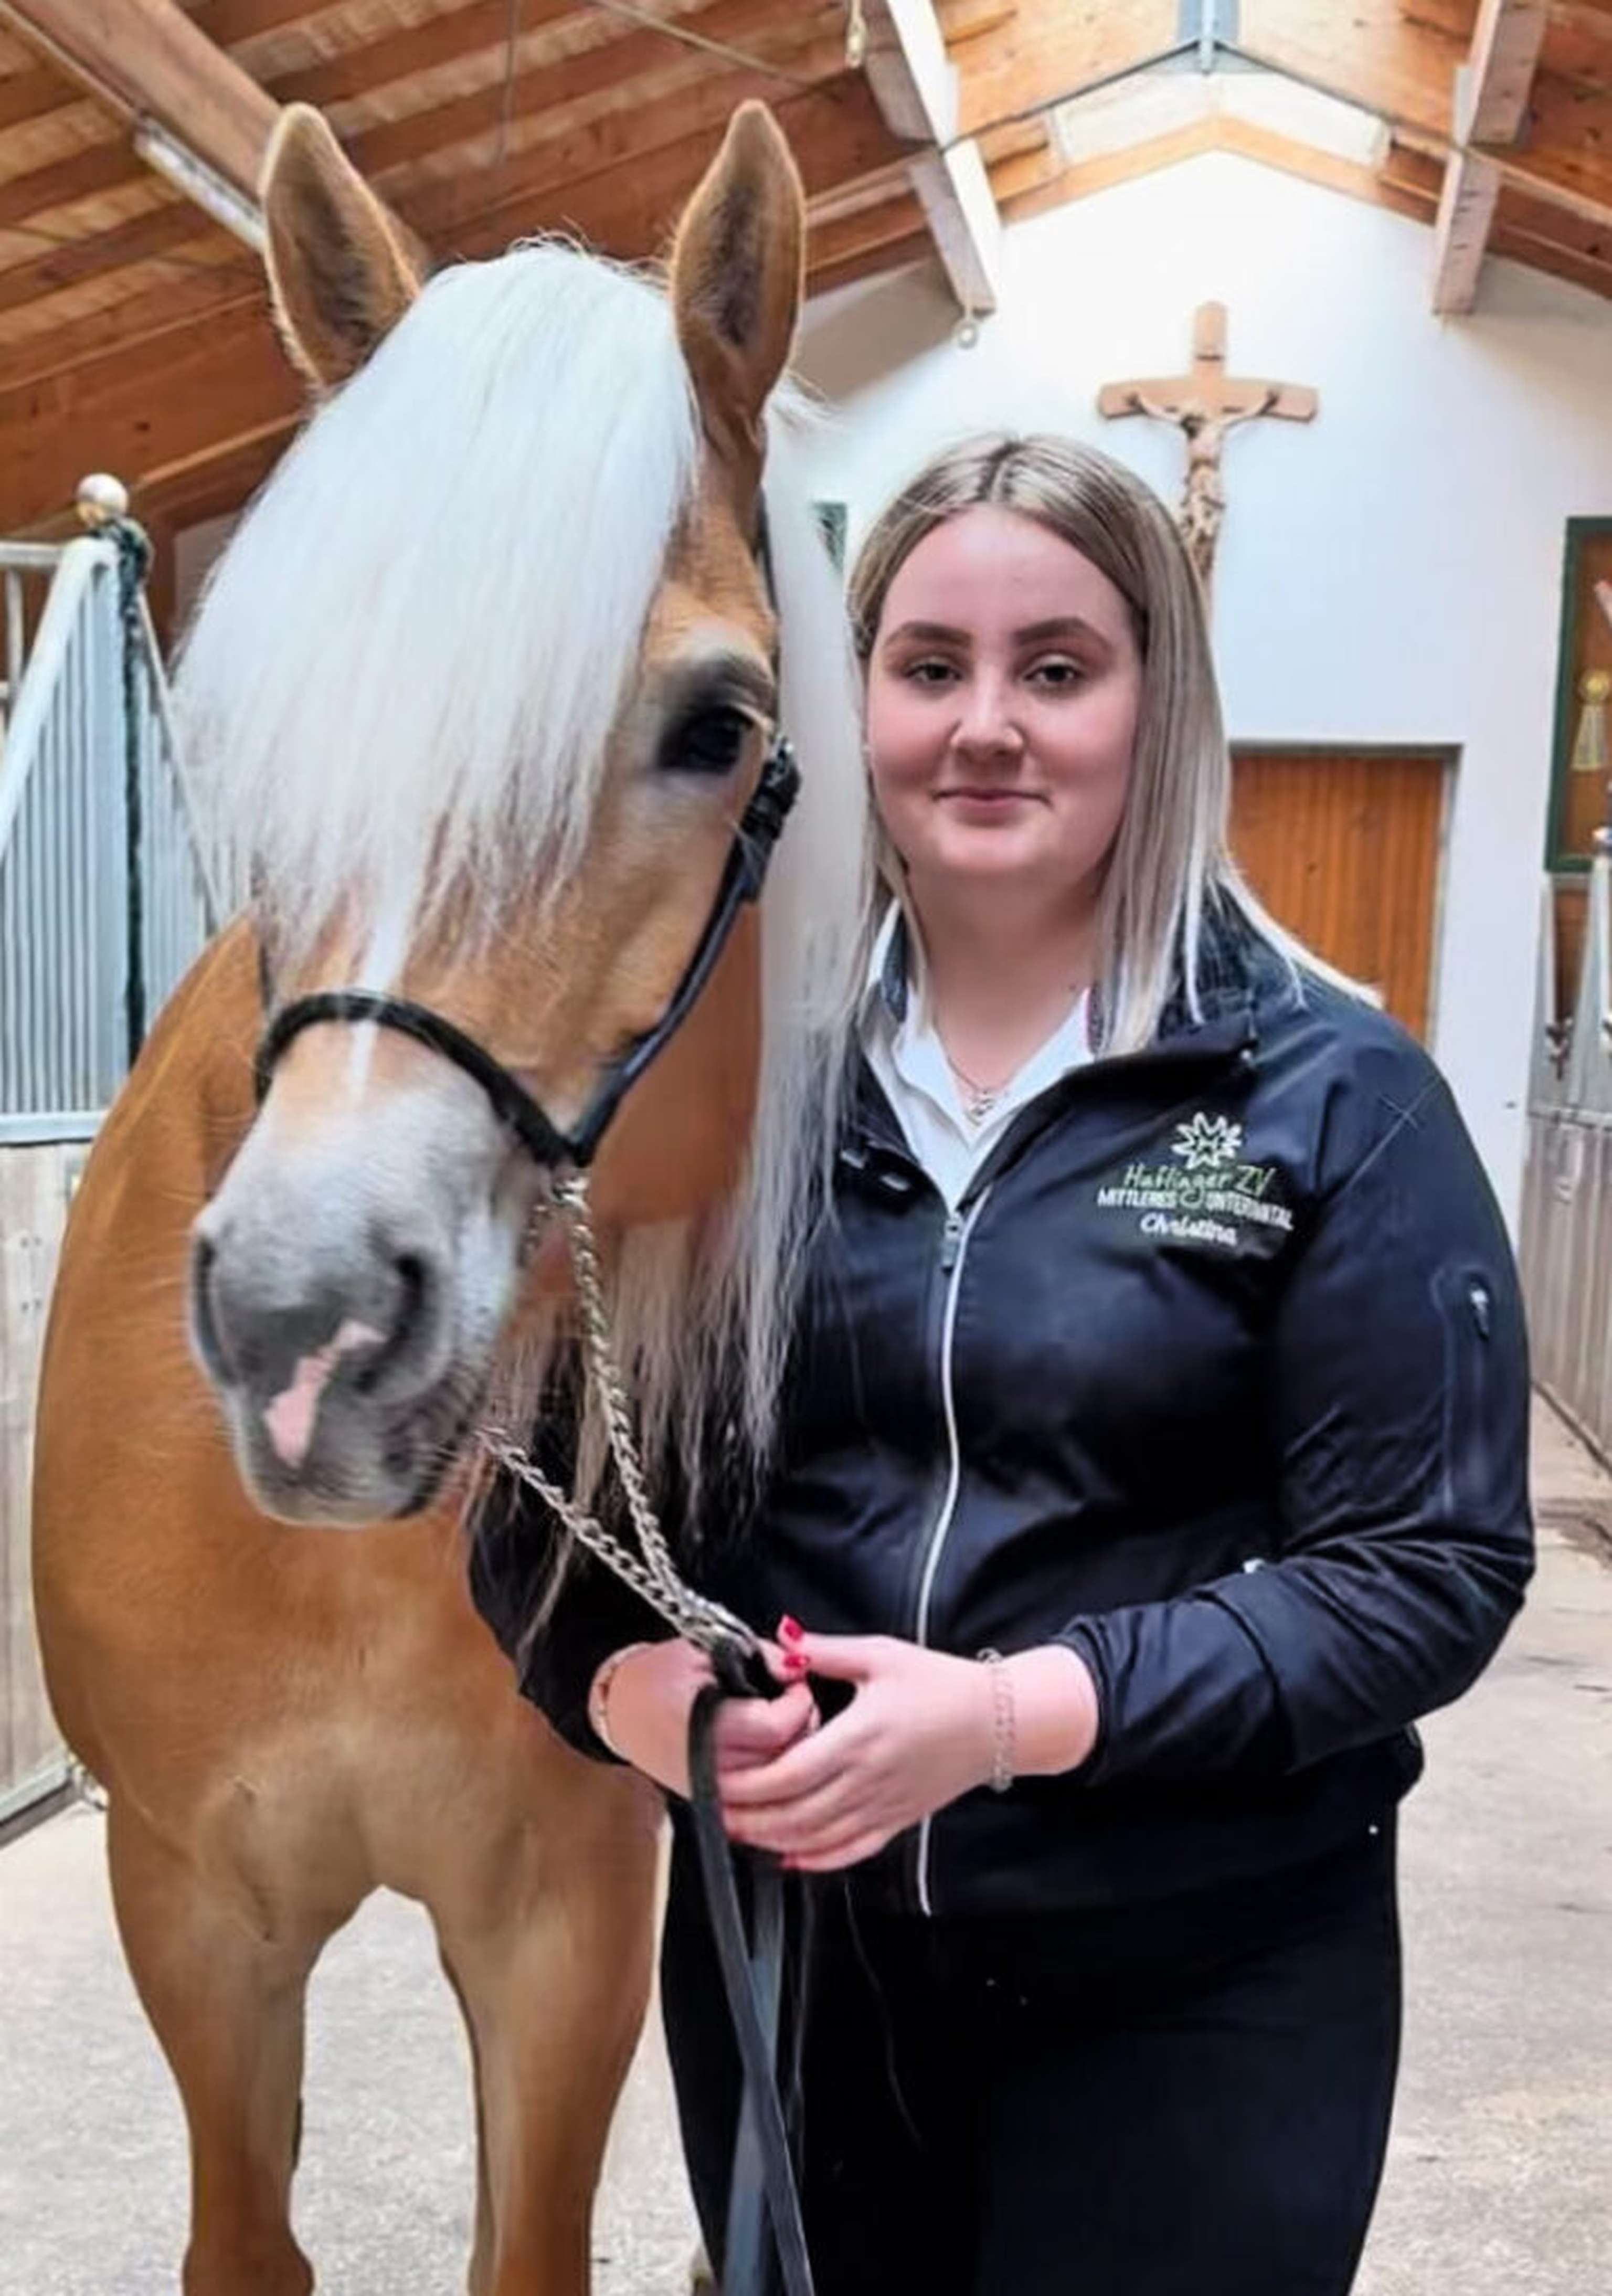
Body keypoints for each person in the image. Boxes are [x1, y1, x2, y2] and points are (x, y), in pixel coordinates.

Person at [470, 435, 1533, 2295]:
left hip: (1197, 1976)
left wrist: (1009, 1717)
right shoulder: (733, 1106)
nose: (985, 725)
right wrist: (638, 1698)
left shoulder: (1332, 1098)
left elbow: (1425, 1569)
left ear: (1157, 707)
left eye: (1057, 667)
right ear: (855, 709)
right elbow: (545, 1500)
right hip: (808, 1974)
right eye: (929, 667)